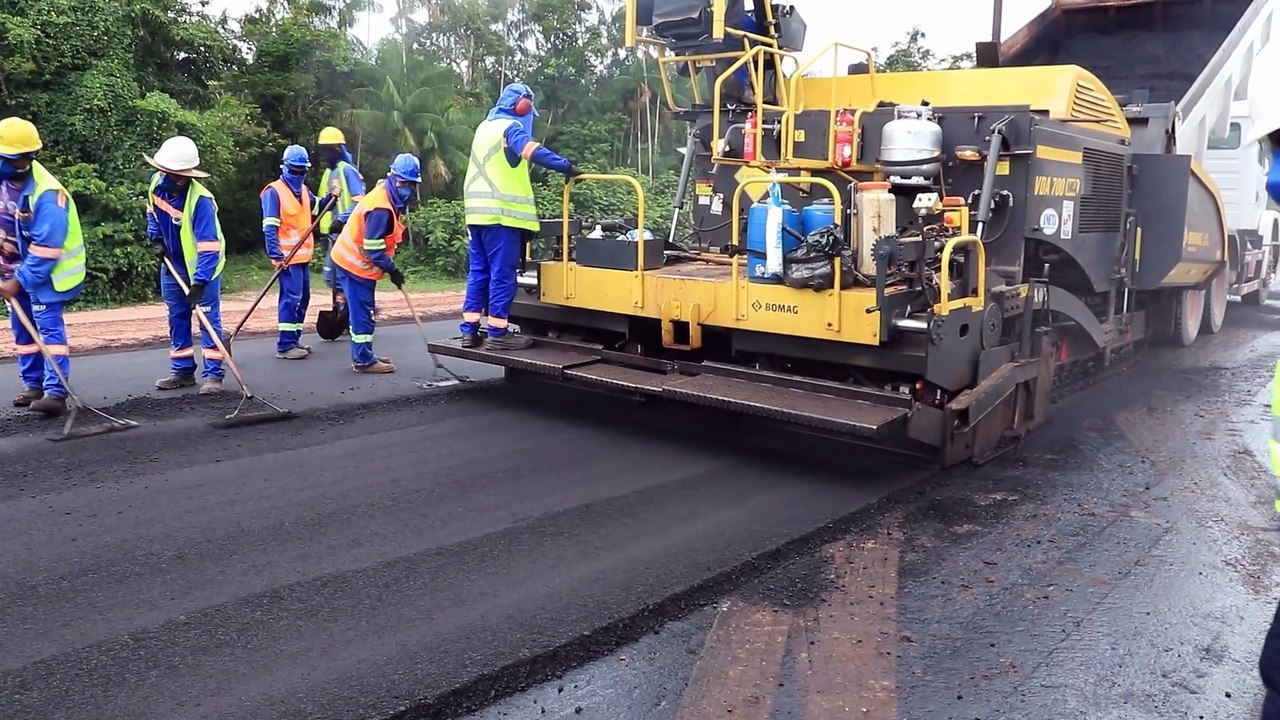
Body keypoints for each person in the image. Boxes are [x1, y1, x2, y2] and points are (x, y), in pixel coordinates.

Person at [460, 82, 581, 350]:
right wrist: (566, 167)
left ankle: (469, 330)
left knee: (479, 272)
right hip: (501, 216)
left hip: (476, 215)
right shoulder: (509, 128)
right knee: (502, 274)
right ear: (522, 107)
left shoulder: (483, 127)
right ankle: (498, 333)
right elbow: (532, 151)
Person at [0, 117, 86, 417]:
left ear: (22, 159)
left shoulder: (48, 195)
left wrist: (17, 280)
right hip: (14, 270)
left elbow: (47, 249)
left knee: (48, 329)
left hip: (48, 274)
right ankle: (33, 384)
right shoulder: (2, 183)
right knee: (22, 329)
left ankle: (55, 392)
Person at [144, 135, 227, 395]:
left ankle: (214, 376)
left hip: (203, 270)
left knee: (208, 320)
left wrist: (200, 282)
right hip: (172, 266)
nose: (165, 176)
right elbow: (152, 213)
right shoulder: (156, 185)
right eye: (163, 172)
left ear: (183, 177)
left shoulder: (201, 201)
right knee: (177, 317)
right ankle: (182, 371)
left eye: (172, 174)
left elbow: (209, 247)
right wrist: (155, 237)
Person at [328, 153, 420, 374]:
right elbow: (373, 250)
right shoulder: (381, 208)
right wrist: (393, 270)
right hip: (356, 265)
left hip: (350, 260)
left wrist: (342, 219)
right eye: (403, 183)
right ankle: (363, 361)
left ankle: (364, 353)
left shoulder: (383, 191)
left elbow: (359, 208)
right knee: (364, 314)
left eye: (410, 184)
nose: (406, 188)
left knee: (358, 310)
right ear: (393, 177)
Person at [260, 144, 330, 360]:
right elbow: (270, 226)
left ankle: (295, 338)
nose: (298, 175)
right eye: (295, 171)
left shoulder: (304, 191)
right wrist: (275, 255)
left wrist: (331, 197)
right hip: (287, 258)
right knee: (290, 299)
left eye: (302, 171)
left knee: (303, 298)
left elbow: (316, 207)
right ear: (284, 168)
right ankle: (285, 345)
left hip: (303, 256)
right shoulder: (274, 192)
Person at [315, 126, 365, 295]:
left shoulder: (347, 170)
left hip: (347, 232)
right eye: (323, 150)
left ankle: (356, 306)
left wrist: (341, 220)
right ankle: (350, 308)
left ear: (338, 148)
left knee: (335, 277)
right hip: (333, 234)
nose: (325, 154)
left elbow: (360, 201)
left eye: (328, 149)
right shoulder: (329, 173)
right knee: (333, 278)